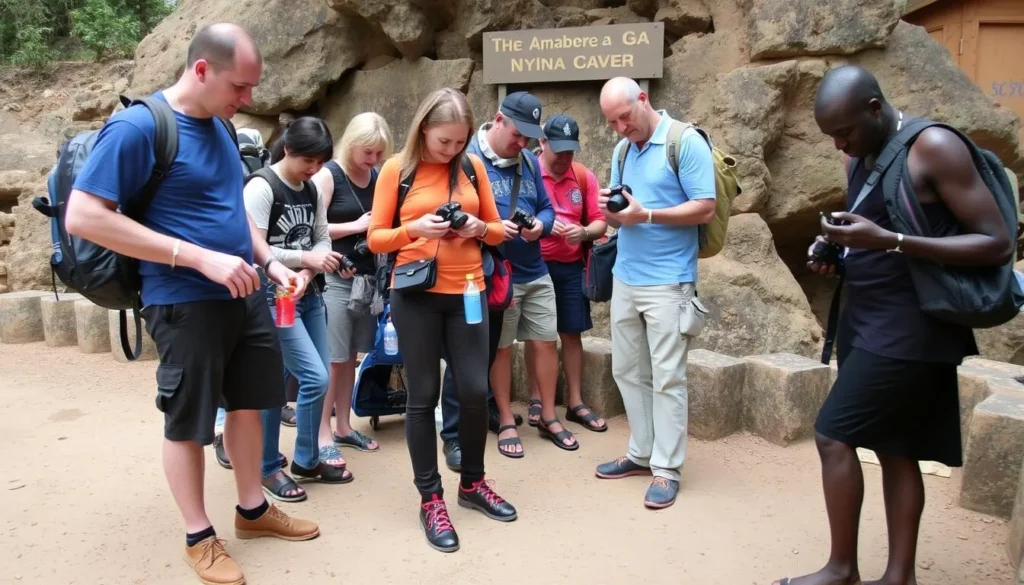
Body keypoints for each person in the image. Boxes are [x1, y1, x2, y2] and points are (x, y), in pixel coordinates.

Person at [63, 23, 319, 585]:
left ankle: (252, 510)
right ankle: (198, 535)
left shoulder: (224, 128)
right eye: (240, 86)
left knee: (252, 404)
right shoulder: (138, 128)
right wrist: (196, 258)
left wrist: (272, 263)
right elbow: (83, 216)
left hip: (246, 290)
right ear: (201, 69)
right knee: (189, 422)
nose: (248, 99)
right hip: (183, 300)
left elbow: (233, 213)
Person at [773, 65, 1012, 585]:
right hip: (867, 317)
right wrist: (838, 251)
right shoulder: (863, 151)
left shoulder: (934, 148)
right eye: (831, 135)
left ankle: (841, 569)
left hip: (914, 327)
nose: (839, 144)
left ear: (875, 109)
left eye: (845, 132)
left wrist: (891, 243)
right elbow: (878, 221)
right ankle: (898, 577)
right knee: (896, 445)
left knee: (833, 435)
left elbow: (996, 242)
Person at [367, 87, 516, 553]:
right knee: (423, 395)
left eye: (459, 141)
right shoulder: (397, 170)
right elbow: (375, 239)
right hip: (415, 296)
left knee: (474, 390)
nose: (451, 150)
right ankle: (430, 498)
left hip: (468, 291)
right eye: (443, 142)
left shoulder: (471, 168)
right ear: (423, 130)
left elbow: (497, 229)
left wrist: (476, 228)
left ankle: (471, 484)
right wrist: (416, 228)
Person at [593, 77, 717, 509]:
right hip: (626, 275)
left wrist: (644, 213)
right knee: (627, 370)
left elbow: (705, 205)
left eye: (624, 117)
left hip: (669, 281)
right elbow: (617, 211)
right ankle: (641, 453)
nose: (620, 128)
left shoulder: (684, 141)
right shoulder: (622, 150)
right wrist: (612, 208)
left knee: (667, 377)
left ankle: (666, 469)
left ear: (643, 99)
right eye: (612, 122)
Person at [245, 115, 354, 502]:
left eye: (321, 161)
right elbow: (255, 248)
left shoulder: (310, 189)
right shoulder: (262, 186)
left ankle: (306, 460)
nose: (314, 168)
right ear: (288, 149)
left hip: (306, 295)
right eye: (308, 160)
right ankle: (267, 466)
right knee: (303, 379)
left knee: (316, 374)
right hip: (272, 299)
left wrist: (307, 272)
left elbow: (323, 239)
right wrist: (305, 259)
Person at [468, 91, 565, 457]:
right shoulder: (471, 159)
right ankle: (506, 417)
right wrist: (492, 229)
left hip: (535, 268)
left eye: (528, 136)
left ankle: (549, 415)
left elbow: (546, 207)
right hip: (497, 275)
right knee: (502, 349)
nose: (522, 143)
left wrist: (541, 225)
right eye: (517, 134)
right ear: (498, 119)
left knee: (544, 342)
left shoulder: (527, 160)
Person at [312, 112, 393, 459]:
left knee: (350, 359)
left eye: (378, 154)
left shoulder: (376, 176)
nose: (372, 160)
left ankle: (344, 426)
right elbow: (311, 229)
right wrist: (355, 225)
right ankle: (321, 435)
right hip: (333, 279)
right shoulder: (329, 175)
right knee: (332, 358)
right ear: (352, 145)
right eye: (367, 152)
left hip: (367, 282)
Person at [530, 113, 608, 433]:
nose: (564, 157)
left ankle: (575, 402)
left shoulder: (583, 176)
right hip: (536, 266)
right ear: (542, 142)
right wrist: (545, 226)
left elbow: (600, 221)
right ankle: (537, 398)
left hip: (572, 266)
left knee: (572, 333)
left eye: (570, 151)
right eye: (558, 149)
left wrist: (584, 233)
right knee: (538, 336)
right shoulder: (529, 171)